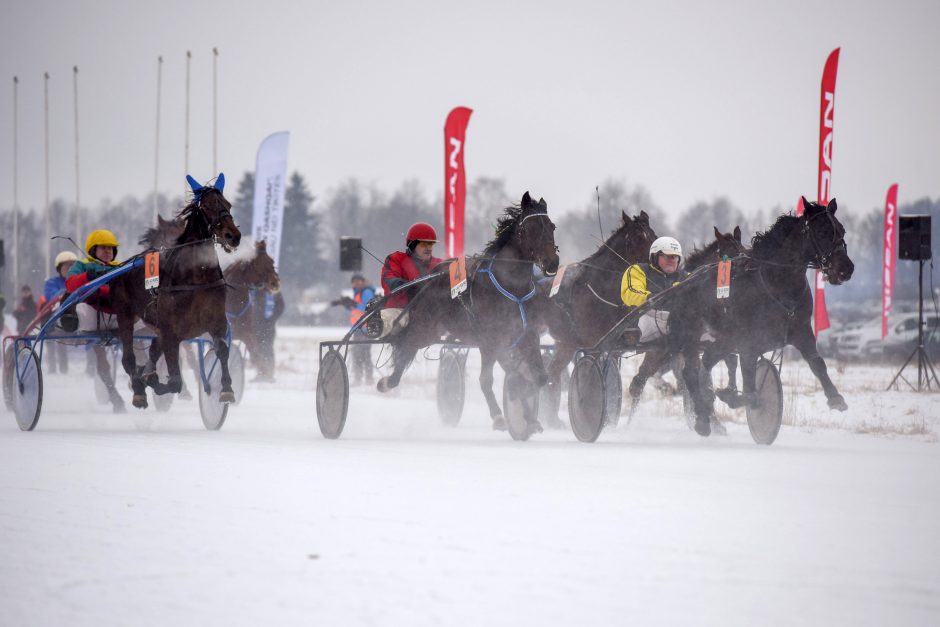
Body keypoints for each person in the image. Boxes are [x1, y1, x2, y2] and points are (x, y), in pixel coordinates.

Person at [64, 229, 126, 412]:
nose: (108, 251)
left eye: (111, 248)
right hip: (92, 315)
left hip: (117, 315)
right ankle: (67, 321)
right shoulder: (82, 265)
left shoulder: (121, 267)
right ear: (93, 250)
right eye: (103, 248)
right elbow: (70, 285)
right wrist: (88, 277)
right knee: (81, 309)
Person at [378, 222, 443, 337]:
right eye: (424, 244)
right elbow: (389, 278)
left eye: (431, 244)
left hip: (430, 315)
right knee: (391, 320)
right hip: (401, 311)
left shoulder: (439, 264)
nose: (428, 248)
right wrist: (405, 285)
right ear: (412, 245)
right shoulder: (396, 259)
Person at [620, 236, 687, 344]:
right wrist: (650, 298)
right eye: (666, 256)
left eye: (674, 257)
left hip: (680, 320)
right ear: (654, 257)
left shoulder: (685, 276)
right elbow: (630, 291)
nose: (671, 260)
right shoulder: (639, 270)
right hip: (648, 317)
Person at [39, 251, 79, 373]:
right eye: (66, 266)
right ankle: (52, 368)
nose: (69, 268)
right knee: (55, 343)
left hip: (74, 316)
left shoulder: (79, 281)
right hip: (55, 317)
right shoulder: (52, 282)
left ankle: (65, 369)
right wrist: (67, 292)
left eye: (72, 265)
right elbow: (51, 297)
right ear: (59, 269)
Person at [346, 274, 376, 385]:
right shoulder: (358, 293)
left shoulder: (366, 292)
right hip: (358, 329)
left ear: (363, 281)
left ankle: (367, 380)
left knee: (364, 355)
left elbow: (369, 308)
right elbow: (355, 311)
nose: (356, 283)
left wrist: (354, 305)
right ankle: (360, 379)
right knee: (358, 355)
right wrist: (348, 305)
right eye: (354, 281)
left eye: (358, 281)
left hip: (365, 329)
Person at [250, 288, 285, 382]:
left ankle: (269, 374)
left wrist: (271, 320)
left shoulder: (273, 288)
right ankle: (260, 373)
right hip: (255, 326)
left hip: (268, 326)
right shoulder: (254, 288)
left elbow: (280, 306)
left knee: (267, 348)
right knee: (257, 348)